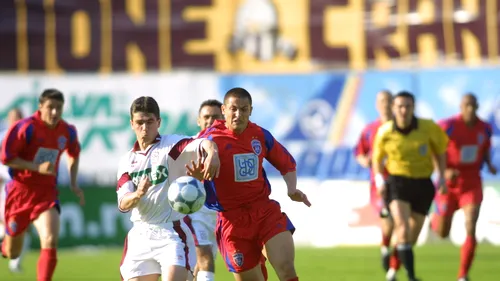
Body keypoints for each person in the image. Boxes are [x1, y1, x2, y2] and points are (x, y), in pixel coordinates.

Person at [190, 87, 310, 281]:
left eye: (244, 109)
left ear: (251, 110)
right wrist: (208, 159)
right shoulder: (208, 138)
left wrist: (292, 189)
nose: (238, 114)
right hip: (232, 222)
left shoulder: (260, 135)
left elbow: (286, 163)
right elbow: (196, 151)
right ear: (224, 110)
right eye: (233, 109)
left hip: (264, 212)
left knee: (287, 269)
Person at [117, 96, 220, 281]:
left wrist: (212, 152)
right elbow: (123, 204)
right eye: (140, 122)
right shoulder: (127, 161)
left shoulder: (170, 146)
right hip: (140, 234)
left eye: (150, 122)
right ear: (132, 124)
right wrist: (138, 194)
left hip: (171, 232)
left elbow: (202, 143)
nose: (145, 128)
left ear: (158, 122)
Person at [0, 89, 85, 281]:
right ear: (40, 107)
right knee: (13, 252)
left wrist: (73, 182)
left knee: (50, 239)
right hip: (20, 193)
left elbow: (74, 153)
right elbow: (6, 158)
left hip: (46, 193)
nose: (54, 112)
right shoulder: (25, 128)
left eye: (59, 108)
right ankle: (5, 245)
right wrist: (36, 167)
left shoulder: (67, 131)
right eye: (50, 108)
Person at [372, 91, 448, 281]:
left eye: (407, 106)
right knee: (403, 228)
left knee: (410, 236)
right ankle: (412, 276)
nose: (403, 110)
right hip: (398, 182)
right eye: (399, 106)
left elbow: (440, 151)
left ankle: (392, 269)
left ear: (413, 108)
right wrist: (380, 180)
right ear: (393, 108)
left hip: (423, 184)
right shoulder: (385, 132)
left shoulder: (428, 127)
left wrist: (442, 178)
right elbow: (377, 159)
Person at [430, 94, 497, 281]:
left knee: (471, 224)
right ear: (460, 107)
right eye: (465, 105)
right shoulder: (448, 126)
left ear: (477, 106)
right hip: (449, 183)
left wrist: (489, 164)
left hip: (471, 181)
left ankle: (463, 275)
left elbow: (484, 149)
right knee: (442, 233)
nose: (469, 109)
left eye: (472, 105)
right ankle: (434, 219)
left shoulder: (485, 128)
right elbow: (433, 149)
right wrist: (442, 173)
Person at [354, 90, 400, 273]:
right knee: (388, 220)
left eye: (389, 101)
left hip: (401, 182)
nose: (385, 104)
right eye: (382, 101)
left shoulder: (402, 128)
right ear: (376, 105)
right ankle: (385, 248)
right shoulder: (369, 130)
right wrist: (364, 160)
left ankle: (394, 266)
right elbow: (359, 152)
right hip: (378, 185)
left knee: (400, 224)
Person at [183, 99, 224, 281]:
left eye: (215, 117)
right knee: (205, 257)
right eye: (206, 117)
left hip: (220, 213)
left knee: (203, 262)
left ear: (223, 118)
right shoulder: (190, 146)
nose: (210, 121)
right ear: (198, 120)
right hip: (196, 212)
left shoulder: (230, 145)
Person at [0, 108, 30, 273]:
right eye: (12, 117)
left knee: (23, 226)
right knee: (9, 224)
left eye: (18, 117)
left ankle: (15, 262)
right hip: (7, 186)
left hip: (25, 188)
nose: (15, 120)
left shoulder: (28, 138)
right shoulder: (3, 137)